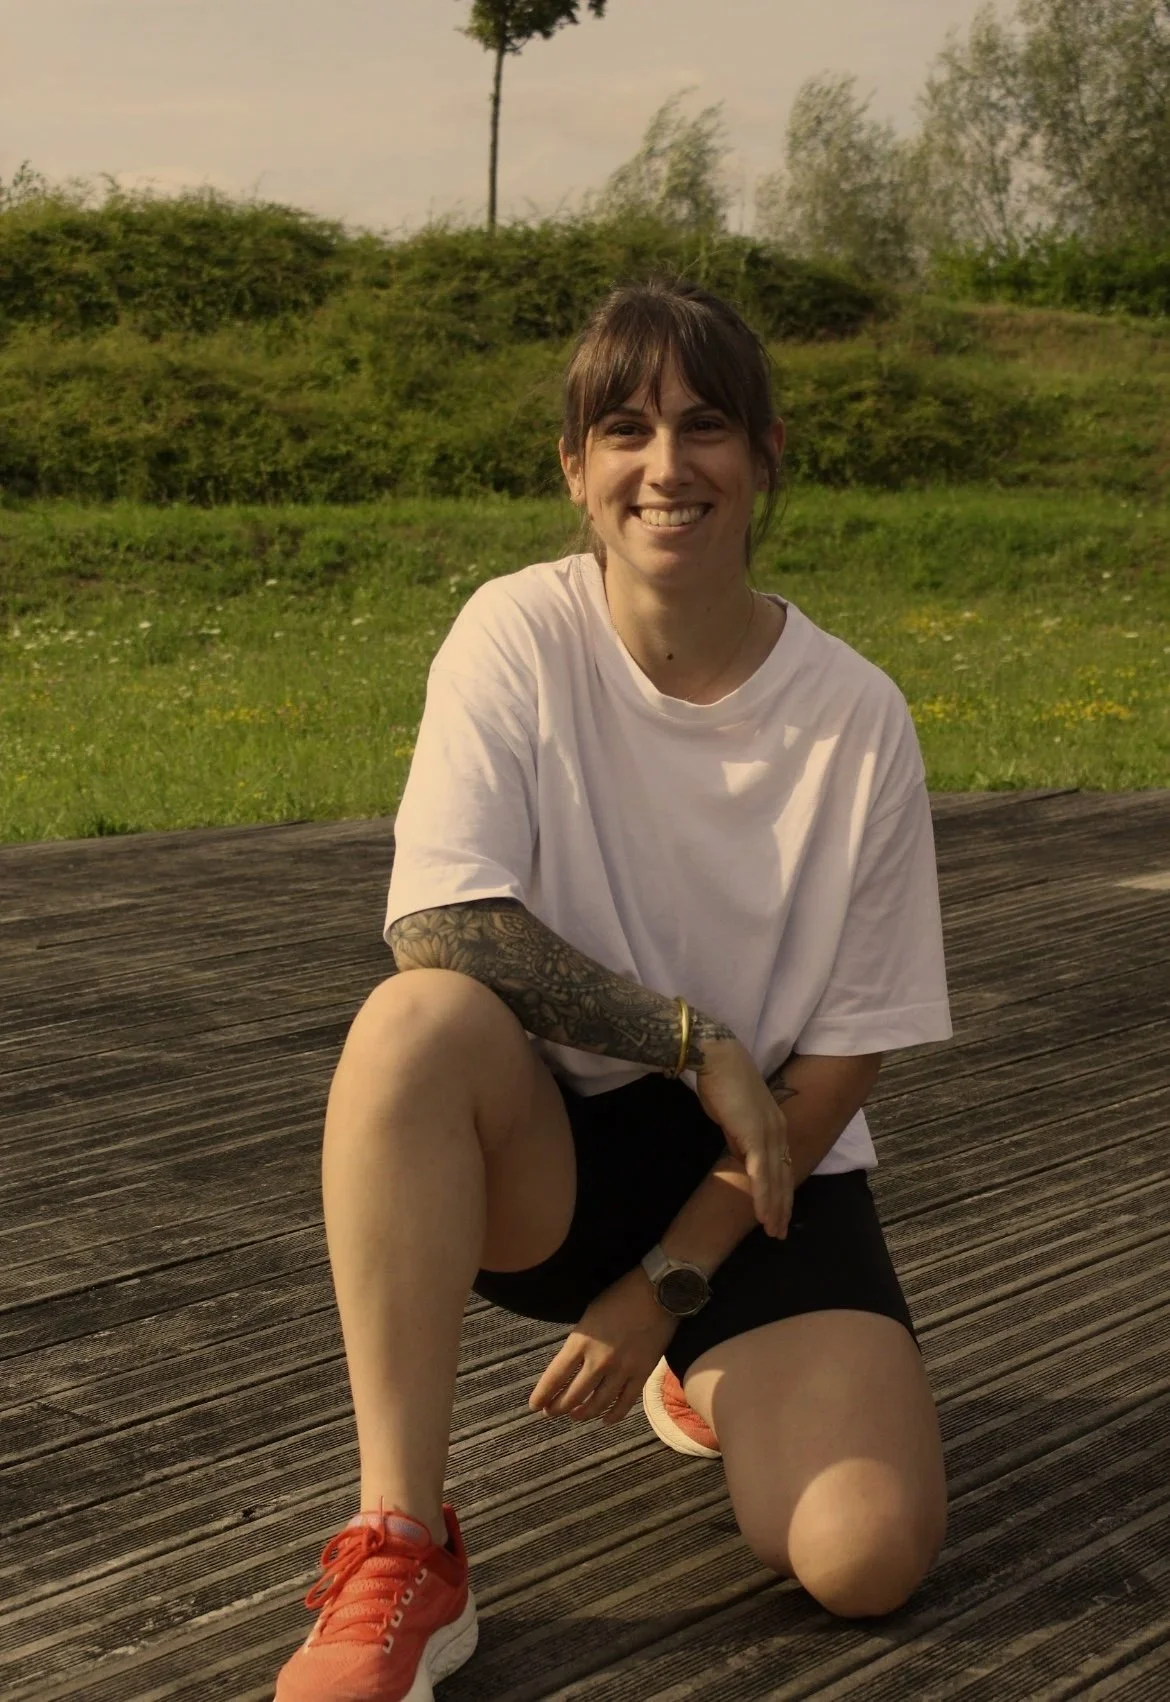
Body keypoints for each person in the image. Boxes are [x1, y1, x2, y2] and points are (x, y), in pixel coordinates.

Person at [273, 276, 953, 1702]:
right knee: (412, 1025)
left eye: (705, 426)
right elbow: (441, 922)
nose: (666, 464)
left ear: (765, 454)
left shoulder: (856, 715)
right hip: (554, 1154)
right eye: (625, 430)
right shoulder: (516, 633)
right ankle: (403, 1541)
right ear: (575, 470)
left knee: (864, 1556)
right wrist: (690, 1041)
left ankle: (703, 1373)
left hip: (764, 1175)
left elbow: (841, 1060)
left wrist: (667, 1285)